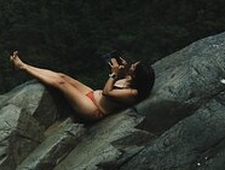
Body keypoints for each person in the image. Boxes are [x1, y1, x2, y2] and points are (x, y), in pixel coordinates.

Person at [9, 51, 154, 122]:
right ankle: (24, 65)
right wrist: (119, 71)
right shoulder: (129, 79)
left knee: (61, 84)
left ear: (137, 75)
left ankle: (23, 68)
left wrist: (114, 74)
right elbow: (115, 83)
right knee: (62, 76)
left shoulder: (133, 93)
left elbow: (107, 92)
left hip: (94, 109)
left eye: (134, 67)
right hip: (91, 95)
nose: (131, 65)